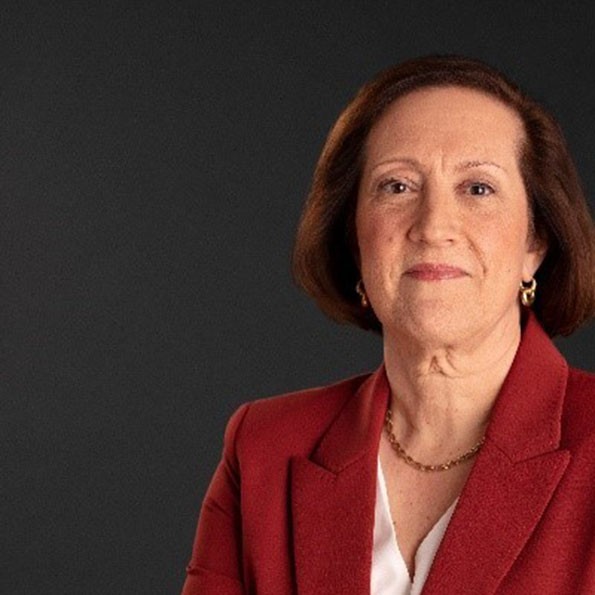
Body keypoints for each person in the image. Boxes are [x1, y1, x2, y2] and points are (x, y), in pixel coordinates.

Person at [181, 56, 595, 594]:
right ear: (355, 239)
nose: (434, 226)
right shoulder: (264, 448)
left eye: (477, 188)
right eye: (397, 187)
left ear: (535, 244)